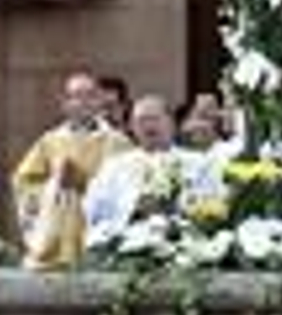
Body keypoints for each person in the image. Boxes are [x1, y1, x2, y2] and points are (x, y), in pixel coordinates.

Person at [10, 69, 130, 270]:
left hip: (99, 232)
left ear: (98, 102)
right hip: (56, 235)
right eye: (76, 96)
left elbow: (129, 189)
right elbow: (24, 182)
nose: (84, 103)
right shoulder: (49, 141)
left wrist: (84, 183)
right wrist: (55, 183)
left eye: (90, 96)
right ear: (65, 103)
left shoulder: (118, 143)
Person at [83, 95, 211, 243]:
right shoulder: (115, 166)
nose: (149, 126)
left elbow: (210, 205)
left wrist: (173, 208)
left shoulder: (197, 163)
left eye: (155, 118)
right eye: (141, 120)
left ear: (171, 123)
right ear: (131, 127)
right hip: (127, 245)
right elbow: (93, 211)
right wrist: (134, 210)